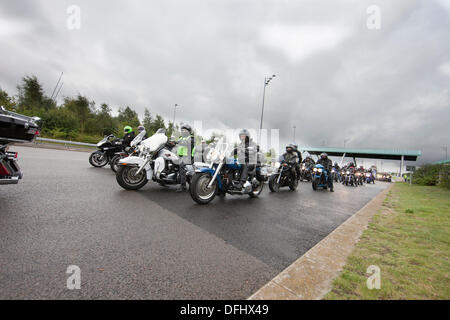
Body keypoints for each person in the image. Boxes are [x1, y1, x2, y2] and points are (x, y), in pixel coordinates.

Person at [176, 124, 195, 192]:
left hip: (188, 157)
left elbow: (187, 143)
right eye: (182, 130)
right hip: (180, 156)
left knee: (182, 167)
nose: (183, 131)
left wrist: (177, 142)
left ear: (189, 131)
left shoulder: (191, 138)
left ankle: (183, 186)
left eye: (185, 130)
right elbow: (176, 144)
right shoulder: (181, 138)